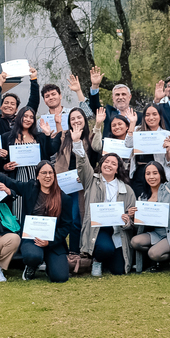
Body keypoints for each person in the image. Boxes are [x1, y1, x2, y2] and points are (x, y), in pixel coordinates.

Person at [0, 156, 73, 283]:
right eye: (44, 173)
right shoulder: (30, 188)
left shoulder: (64, 198)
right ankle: (31, 266)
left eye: (51, 173)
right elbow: (9, 181)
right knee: (32, 256)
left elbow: (66, 226)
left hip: (53, 241)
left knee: (60, 277)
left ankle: (49, 263)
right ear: (37, 176)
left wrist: (49, 242)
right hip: (31, 238)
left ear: (55, 175)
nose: (47, 176)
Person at [73, 128, 137, 277]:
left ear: (117, 169)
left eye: (113, 163)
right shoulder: (91, 180)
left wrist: (127, 220)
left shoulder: (127, 189)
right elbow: (82, 164)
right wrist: (77, 142)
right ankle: (97, 259)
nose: (109, 164)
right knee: (106, 249)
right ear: (101, 164)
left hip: (116, 230)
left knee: (118, 270)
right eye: (106, 161)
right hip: (98, 229)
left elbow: (131, 218)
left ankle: (106, 257)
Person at [129, 135, 170, 273]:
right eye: (148, 174)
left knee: (154, 253)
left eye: (155, 173)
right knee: (135, 242)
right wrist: (134, 215)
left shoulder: (169, 188)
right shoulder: (143, 196)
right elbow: (142, 223)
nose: (151, 177)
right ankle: (164, 256)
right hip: (158, 234)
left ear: (161, 175)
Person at [0, 106, 61, 219]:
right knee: (19, 208)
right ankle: (20, 234)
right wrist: (6, 166)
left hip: (37, 178)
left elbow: (50, 152)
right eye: (25, 116)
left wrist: (47, 135)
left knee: (39, 207)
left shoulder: (40, 137)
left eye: (31, 117)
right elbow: (0, 162)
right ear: (19, 117)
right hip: (18, 178)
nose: (28, 119)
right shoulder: (7, 137)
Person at [52, 107, 99, 255]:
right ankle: (69, 251)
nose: (76, 121)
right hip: (66, 183)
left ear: (84, 119)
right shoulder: (65, 136)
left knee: (80, 218)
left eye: (79, 117)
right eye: (72, 119)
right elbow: (53, 148)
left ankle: (78, 250)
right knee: (69, 218)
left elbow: (96, 157)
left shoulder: (91, 136)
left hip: (83, 183)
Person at [88, 66, 144, 138]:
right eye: (117, 95)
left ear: (129, 97)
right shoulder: (108, 112)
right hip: (111, 148)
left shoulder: (140, 116)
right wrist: (95, 86)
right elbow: (94, 105)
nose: (120, 97)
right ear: (113, 98)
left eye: (123, 94)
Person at [130, 104, 170, 188]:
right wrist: (132, 124)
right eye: (147, 115)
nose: (151, 118)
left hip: (158, 174)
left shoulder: (167, 135)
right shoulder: (137, 131)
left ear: (160, 116)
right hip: (139, 174)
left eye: (154, 114)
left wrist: (168, 151)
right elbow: (128, 144)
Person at [0, 67, 40, 135]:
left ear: (16, 109)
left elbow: (33, 102)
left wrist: (33, 79)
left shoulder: (22, 120)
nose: (8, 105)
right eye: (6, 103)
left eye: (12, 104)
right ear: (1, 107)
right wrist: (0, 83)